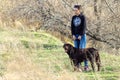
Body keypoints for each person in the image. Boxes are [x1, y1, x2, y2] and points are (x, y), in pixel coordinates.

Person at [71, 5, 89, 71]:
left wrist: (81, 35)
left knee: (82, 51)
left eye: (76, 10)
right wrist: (73, 34)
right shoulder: (73, 17)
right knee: (76, 51)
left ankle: (86, 66)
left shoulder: (82, 17)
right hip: (75, 36)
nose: (75, 11)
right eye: (74, 10)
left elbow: (84, 27)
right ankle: (78, 66)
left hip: (82, 36)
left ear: (79, 10)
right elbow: (72, 27)